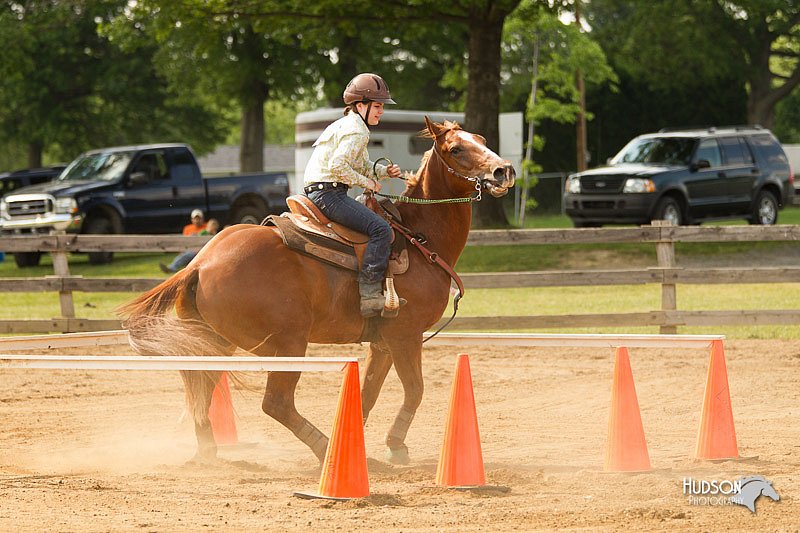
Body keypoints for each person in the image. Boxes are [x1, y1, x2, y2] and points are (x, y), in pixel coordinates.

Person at [303, 73, 403, 317]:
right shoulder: (358, 131)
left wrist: (382, 172)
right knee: (381, 230)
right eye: (378, 106)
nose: (381, 111)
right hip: (329, 194)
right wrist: (367, 182)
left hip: (318, 191)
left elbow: (359, 163)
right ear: (361, 105)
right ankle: (369, 294)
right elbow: (338, 166)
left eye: (381, 107)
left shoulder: (346, 124)